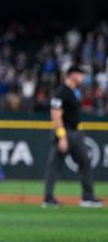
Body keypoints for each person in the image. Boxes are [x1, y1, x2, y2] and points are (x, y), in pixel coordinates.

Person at [42, 65, 103, 208]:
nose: (83, 78)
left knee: (85, 162)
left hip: (76, 133)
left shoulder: (74, 92)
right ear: (72, 75)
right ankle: (48, 198)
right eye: (81, 74)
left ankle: (87, 198)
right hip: (65, 132)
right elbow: (56, 116)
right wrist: (62, 136)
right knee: (54, 166)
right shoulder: (61, 92)